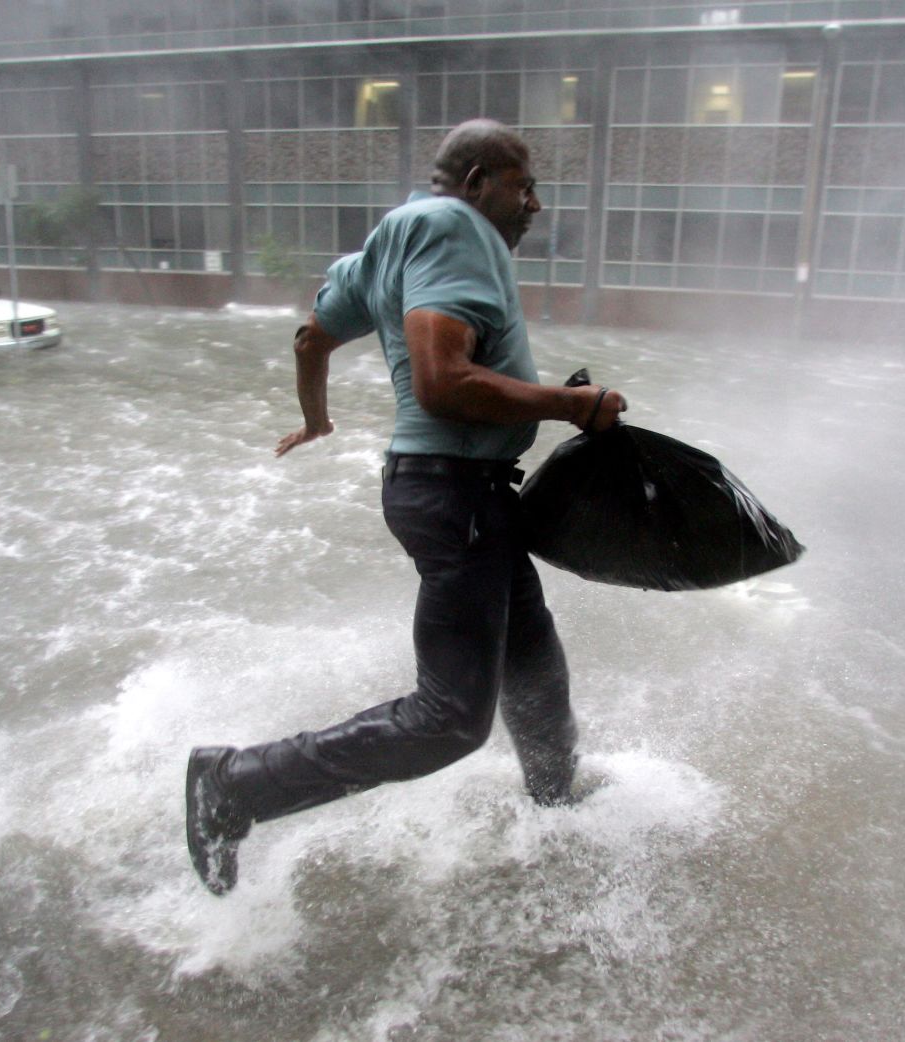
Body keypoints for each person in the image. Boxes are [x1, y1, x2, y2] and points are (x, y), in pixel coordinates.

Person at [186, 119, 627, 895]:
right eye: (524, 187)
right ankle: (235, 783)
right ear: (478, 181)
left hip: (458, 492)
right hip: (454, 492)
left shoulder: (391, 245)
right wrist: (570, 404)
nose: (534, 205)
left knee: (533, 664)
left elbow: (309, 338)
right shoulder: (453, 227)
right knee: (451, 718)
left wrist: (317, 417)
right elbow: (441, 381)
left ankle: (555, 803)